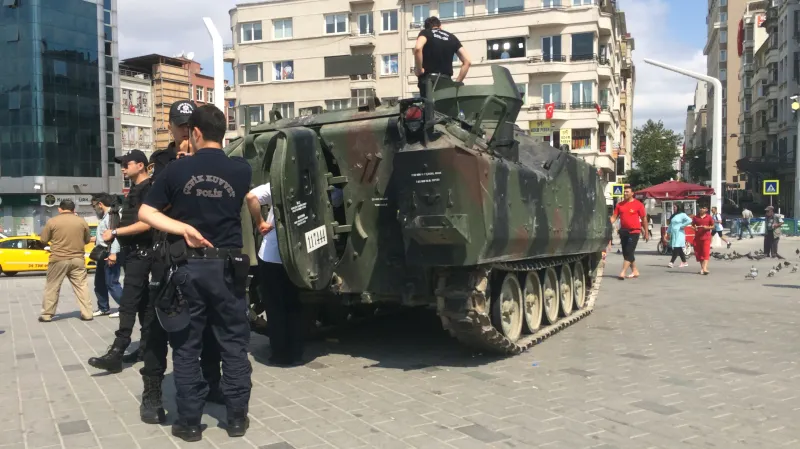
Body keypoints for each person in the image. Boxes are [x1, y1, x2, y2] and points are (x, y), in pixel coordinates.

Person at [139, 104, 252, 442]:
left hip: (189, 266)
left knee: (187, 347)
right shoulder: (241, 170)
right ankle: (236, 419)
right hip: (229, 267)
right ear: (224, 132)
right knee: (233, 344)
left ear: (194, 133)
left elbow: (146, 212)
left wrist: (182, 226)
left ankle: (189, 423)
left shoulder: (176, 171)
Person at [134, 100, 224, 426]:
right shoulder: (162, 162)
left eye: (190, 125)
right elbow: (156, 208)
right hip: (166, 254)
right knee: (156, 327)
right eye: (179, 124)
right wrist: (182, 168)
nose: (185, 130)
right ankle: (153, 393)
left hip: (203, 255)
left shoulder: (212, 159)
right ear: (170, 126)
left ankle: (212, 383)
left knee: (211, 325)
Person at [88, 150, 156, 372]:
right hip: (133, 252)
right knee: (144, 303)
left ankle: (117, 351)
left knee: (128, 302)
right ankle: (146, 347)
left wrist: (115, 233)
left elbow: (148, 223)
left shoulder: (148, 189)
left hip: (143, 252)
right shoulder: (134, 190)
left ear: (141, 165)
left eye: (127, 164)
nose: (123, 168)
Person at [38, 200, 93, 322]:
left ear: (60, 209)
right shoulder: (82, 221)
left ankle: (47, 315)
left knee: (52, 286)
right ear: (74, 209)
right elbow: (88, 240)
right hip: (78, 259)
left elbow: (43, 239)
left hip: (58, 258)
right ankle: (87, 313)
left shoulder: (52, 221)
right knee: (81, 286)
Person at [413, 16, 471, 98]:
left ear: (427, 27)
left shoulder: (425, 33)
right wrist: (457, 83)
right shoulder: (451, 37)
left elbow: (418, 48)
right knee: (444, 109)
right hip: (447, 82)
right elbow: (467, 61)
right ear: (440, 26)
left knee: (429, 108)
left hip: (429, 81)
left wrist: (419, 70)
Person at [91, 194, 123, 317]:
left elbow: (116, 237)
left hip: (110, 252)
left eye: (94, 206)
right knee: (99, 282)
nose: (94, 209)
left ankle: (124, 308)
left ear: (100, 204)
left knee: (112, 282)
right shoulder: (106, 217)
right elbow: (104, 236)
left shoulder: (113, 216)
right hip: (102, 253)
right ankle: (103, 307)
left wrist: (113, 254)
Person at [609, 186, 648, 279]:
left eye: (627, 192)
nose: (625, 193)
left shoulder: (638, 204)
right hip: (624, 232)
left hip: (634, 231)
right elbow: (614, 217)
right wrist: (606, 224)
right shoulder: (619, 205)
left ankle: (623, 272)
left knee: (630, 251)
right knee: (626, 253)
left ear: (632, 193)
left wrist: (646, 232)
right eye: (624, 192)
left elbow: (644, 219)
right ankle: (635, 270)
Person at [691, 206, 714, 275]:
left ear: (706, 209)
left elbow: (713, 226)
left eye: (703, 208)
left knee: (705, 252)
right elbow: (692, 225)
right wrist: (694, 228)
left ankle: (704, 268)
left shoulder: (709, 217)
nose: (701, 209)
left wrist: (707, 227)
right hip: (698, 238)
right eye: (701, 208)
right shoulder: (695, 217)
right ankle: (703, 268)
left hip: (706, 237)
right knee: (699, 253)